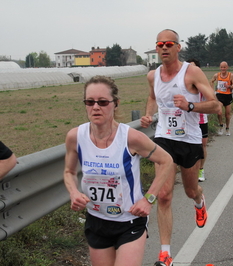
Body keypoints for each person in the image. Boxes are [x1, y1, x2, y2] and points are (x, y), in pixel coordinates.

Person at [63, 75, 173, 266]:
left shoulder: (130, 138)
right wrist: (73, 193)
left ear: (115, 104)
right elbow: (69, 172)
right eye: (90, 102)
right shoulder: (75, 137)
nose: (96, 107)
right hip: (97, 220)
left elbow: (166, 161)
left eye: (103, 102)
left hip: (129, 220)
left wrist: (149, 199)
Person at [140, 29, 221, 266]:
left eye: (169, 44)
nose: (164, 48)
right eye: (160, 44)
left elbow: (216, 105)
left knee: (189, 190)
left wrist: (190, 106)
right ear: (156, 48)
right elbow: (153, 98)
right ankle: (165, 254)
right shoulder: (152, 76)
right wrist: (147, 116)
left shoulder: (191, 72)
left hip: (190, 139)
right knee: (163, 194)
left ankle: (199, 201)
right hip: (164, 138)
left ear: (178, 47)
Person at [186, 58, 207, 182]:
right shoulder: (183, 84)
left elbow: (211, 100)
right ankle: (188, 169)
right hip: (186, 120)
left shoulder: (202, 84)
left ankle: (200, 170)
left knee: (202, 146)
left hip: (200, 120)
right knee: (187, 146)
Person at [210, 61, 233, 136]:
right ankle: (221, 125)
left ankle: (227, 128)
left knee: (227, 114)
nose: (223, 68)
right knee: (219, 112)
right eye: (221, 67)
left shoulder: (231, 75)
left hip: (228, 96)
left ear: (227, 67)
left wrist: (229, 86)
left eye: (224, 67)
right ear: (220, 67)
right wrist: (212, 91)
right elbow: (211, 81)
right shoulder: (217, 75)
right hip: (219, 96)